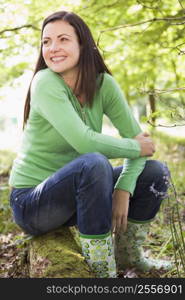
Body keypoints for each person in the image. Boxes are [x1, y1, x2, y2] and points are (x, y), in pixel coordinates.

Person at [9, 11, 172, 278]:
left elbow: (138, 139)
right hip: (33, 202)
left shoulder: (103, 84)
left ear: (82, 44)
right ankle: (102, 272)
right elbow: (86, 141)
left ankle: (128, 256)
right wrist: (134, 147)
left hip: (81, 196)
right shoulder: (45, 82)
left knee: (156, 172)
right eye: (46, 42)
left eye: (63, 39)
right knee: (94, 162)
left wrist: (123, 188)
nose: (53, 48)